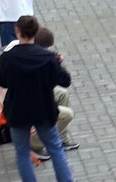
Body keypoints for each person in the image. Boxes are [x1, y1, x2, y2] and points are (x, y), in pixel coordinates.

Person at [0, 16, 80, 182]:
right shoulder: (48, 58)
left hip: (18, 111)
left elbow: (2, 81)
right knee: (56, 149)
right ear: (36, 33)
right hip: (43, 109)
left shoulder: (8, 57)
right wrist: (59, 64)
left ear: (17, 31)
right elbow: (65, 81)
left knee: (22, 153)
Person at [28, 27, 78, 159]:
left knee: (62, 93)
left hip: (36, 92)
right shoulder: (42, 59)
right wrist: (57, 65)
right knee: (67, 115)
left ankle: (62, 138)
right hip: (31, 100)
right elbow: (65, 80)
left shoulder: (30, 53)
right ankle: (36, 144)